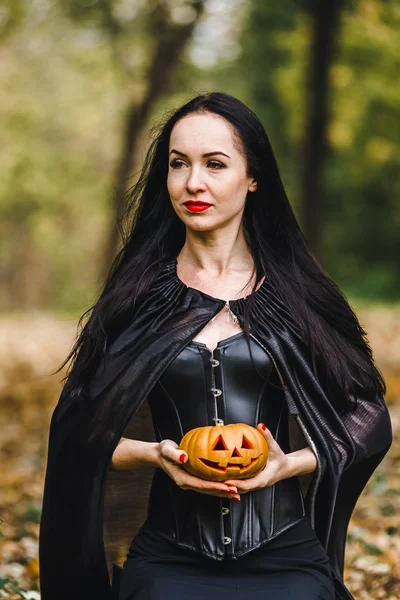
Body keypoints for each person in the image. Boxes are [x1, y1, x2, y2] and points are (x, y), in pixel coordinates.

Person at [39, 92, 392, 600]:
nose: (192, 183)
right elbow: (77, 430)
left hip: (284, 553)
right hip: (168, 554)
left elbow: (367, 416)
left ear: (253, 177)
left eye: (215, 164)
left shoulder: (297, 296)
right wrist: (155, 455)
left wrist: (288, 464)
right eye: (178, 164)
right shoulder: (139, 298)